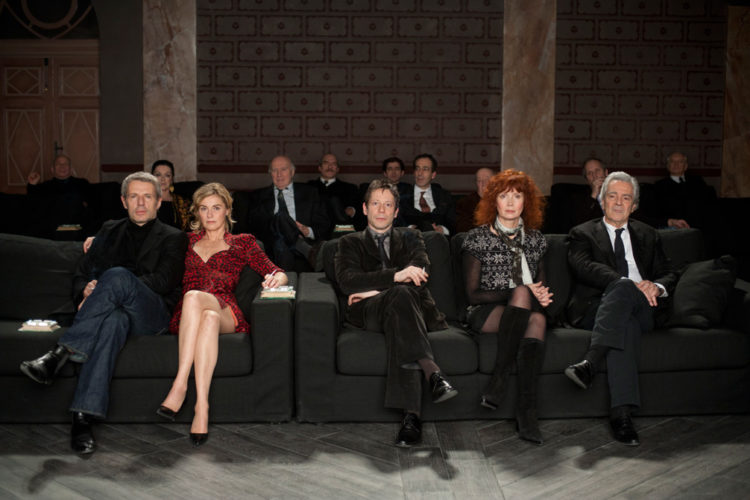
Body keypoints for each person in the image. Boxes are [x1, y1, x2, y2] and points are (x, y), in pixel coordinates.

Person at [19, 172, 188, 456]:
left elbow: (163, 282)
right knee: (113, 320)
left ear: (159, 202)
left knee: (118, 276)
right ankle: (82, 418)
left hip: (152, 314)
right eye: (134, 196)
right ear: (124, 201)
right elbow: (82, 273)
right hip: (114, 314)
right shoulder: (109, 230)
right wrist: (86, 289)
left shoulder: (174, 237)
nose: (141, 203)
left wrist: (109, 288)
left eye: (147, 196)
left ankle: (60, 353)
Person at [157, 182, 287, 447]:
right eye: (204, 208)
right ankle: (202, 407)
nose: (210, 214)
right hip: (191, 316)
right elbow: (146, 251)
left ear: (227, 210)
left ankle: (180, 385)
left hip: (227, 309)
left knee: (195, 297)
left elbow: (277, 271)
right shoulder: (184, 241)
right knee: (207, 317)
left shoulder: (243, 242)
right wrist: (97, 241)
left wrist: (277, 280)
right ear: (197, 212)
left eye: (216, 208)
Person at [334, 179, 458, 448]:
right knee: (401, 293)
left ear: (396, 211)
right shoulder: (348, 242)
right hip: (371, 314)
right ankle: (433, 374)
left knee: (401, 298)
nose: (381, 210)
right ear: (365, 208)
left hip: (408, 309)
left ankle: (411, 418)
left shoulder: (413, 237)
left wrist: (370, 289)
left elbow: (420, 275)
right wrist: (396, 276)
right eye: (376, 204)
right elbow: (347, 281)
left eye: (388, 205)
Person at [564, 171, 677, 446]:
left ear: (634, 206)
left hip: (645, 307)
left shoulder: (648, 234)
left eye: (625, 198)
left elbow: (669, 273)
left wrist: (656, 287)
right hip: (597, 307)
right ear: (602, 200)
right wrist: (626, 284)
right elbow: (584, 267)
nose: (618, 202)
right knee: (625, 320)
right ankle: (622, 416)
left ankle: (590, 363)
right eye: (612, 196)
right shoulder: (582, 233)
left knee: (629, 306)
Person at [461, 170, 552, 444]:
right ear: (494, 201)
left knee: (538, 319)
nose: (511, 202)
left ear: (527, 202)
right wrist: (517, 291)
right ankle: (500, 381)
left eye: (517, 196)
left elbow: (541, 287)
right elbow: (473, 295)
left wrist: (543, 297)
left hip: (524, 311)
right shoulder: (477, 238)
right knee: (522, 292)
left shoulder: (536, 240)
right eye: (503, 196)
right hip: (486, 311)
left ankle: (526, 412)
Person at [246, 155, 331, 272]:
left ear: (292, 172)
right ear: (270, 173)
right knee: (280, 217)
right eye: (274, 170)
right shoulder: (259, 196)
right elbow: (254, 226)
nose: (279, 174)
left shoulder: (310, 193)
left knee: (282, 242)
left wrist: (308, 231)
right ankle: (306, 250)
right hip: (271, 246)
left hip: (301, 242)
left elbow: (324, 224)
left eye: (283, 169)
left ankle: (284, 281)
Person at [27, 154, 91, 239]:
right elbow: (32, 205)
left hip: (77, 228)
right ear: (52, 169)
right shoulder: (45, 186)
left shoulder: (82, 183)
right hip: (52, 230)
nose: (62, 166)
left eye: (65, 164)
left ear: (71, 169)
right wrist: (32, 185)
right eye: (58, 164)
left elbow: (91, 206)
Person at [399, 154, 456, 236]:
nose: (420, 173)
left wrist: (443, 229)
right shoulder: (401, 195)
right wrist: (410, 228)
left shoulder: (444, 196)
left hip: (439, 238)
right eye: (417, 168)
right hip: (410, 238)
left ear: (433, 175)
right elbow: (396, 221)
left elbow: (453, 223)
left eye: (425, 169)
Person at [307, 153, 363, 229]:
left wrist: (352, 210)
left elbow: (360, 211)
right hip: (315, 229)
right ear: (319, 168)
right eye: (326, 163)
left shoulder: (350, 188)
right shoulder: (309, 187)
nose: (330, 167)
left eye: (334, 164)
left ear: (337, 169)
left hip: (341, 230)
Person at [151, 159, 191, 230]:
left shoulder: (183, 203)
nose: (162, 179)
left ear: (172, 179)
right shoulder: (144, 201)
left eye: (167, 175)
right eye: (158, 175)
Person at [455, 167, 494, 234]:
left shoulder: (503, 201)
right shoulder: (465, 203)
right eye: (479, 180)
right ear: (476, 183)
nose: (483, 184)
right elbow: (462, 228)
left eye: (487, 180)